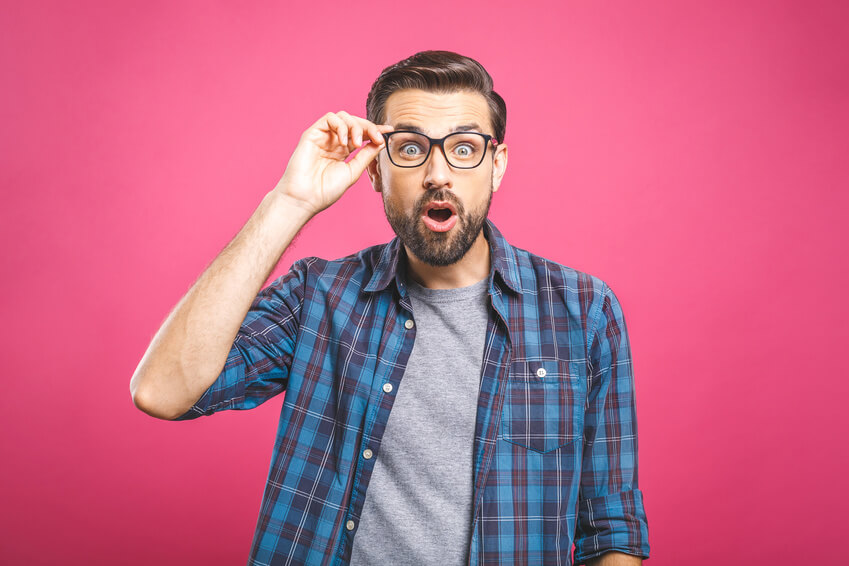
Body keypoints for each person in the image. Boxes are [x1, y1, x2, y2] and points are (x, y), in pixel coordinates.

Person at [130, 50, 650, 566]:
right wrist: (289, 201)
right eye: (409, 149)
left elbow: (613, 531)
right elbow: (163, 391)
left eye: (465, 149)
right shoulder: (319, 297)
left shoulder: (583, 310)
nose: (437, 175)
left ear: (497, 165)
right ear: (375, 170)